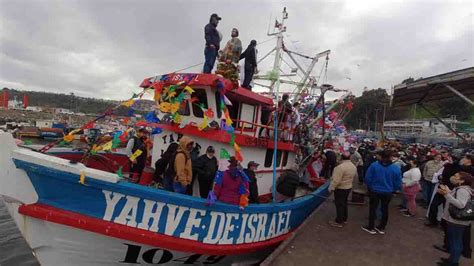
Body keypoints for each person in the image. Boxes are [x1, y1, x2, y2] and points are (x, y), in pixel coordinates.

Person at [436, 172, 473, 266]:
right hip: (455, 220)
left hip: (457, 220)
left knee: (456, 241)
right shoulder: (461, 188)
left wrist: (446, 194)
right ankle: (452, 259)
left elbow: (460, 204)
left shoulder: (462, 190)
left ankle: (454, 262)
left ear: (462, 180)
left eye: (456, 176)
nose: (454, 177)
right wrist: (447, 192)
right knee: (453, 240)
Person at [362, 149, 402, 235]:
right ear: (391, 157)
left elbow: (367, 178)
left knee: (373, 209)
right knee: (385, 209)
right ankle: (381, 227)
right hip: (388, 192)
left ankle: (371, 227)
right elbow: (398, 182)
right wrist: (393, 189)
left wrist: (371, 187)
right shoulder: (395, 168)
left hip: (375, 190)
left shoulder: (374, 165)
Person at [328, 152, 357, 227]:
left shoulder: (339, 167)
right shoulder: (353, 166)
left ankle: (338, 221)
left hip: (340, 188)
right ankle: (344, 219)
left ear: (341, 157)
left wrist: (331, 188)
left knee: (339, 205)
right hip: (348, 187)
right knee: (344, 203)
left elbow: (336, 180)